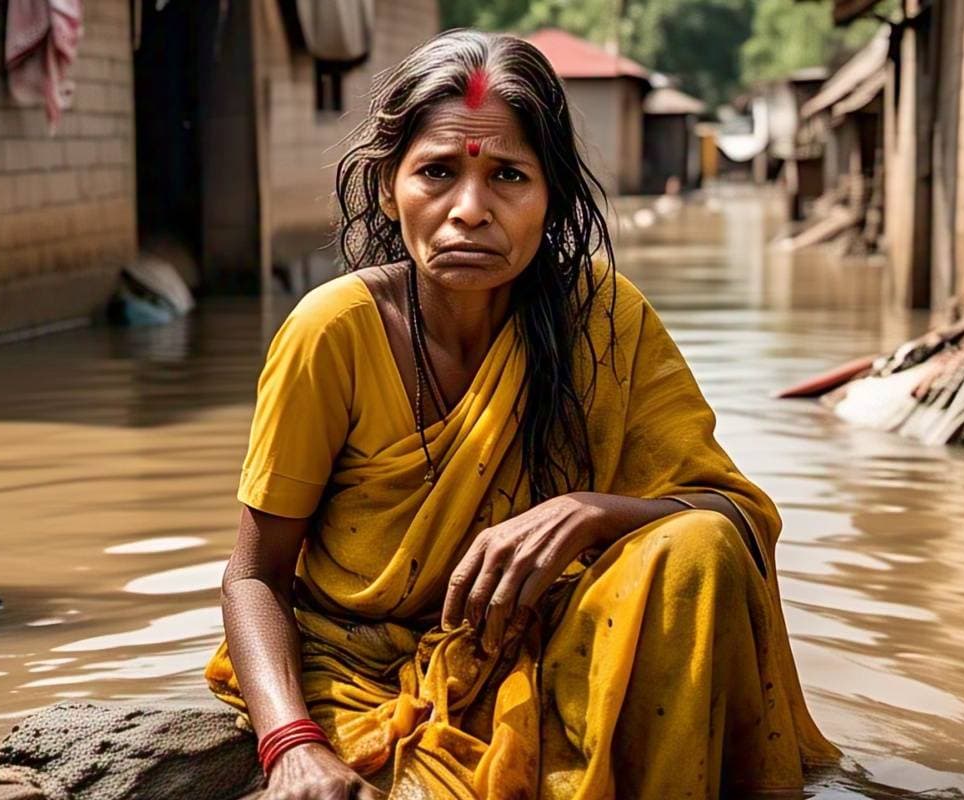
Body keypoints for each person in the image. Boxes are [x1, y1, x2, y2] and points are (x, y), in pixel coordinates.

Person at [206, 29, 837, 800]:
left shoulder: (603, 319)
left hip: (556, 649)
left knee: (698, 547)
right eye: (436, 172)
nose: (469, 210)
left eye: (508, 175)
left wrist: (592, 512)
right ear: (386, 189)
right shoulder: (332, 332)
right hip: (364, 673)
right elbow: (254, 577)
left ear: (553, 197)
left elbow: (736, 514)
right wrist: (291, 746)